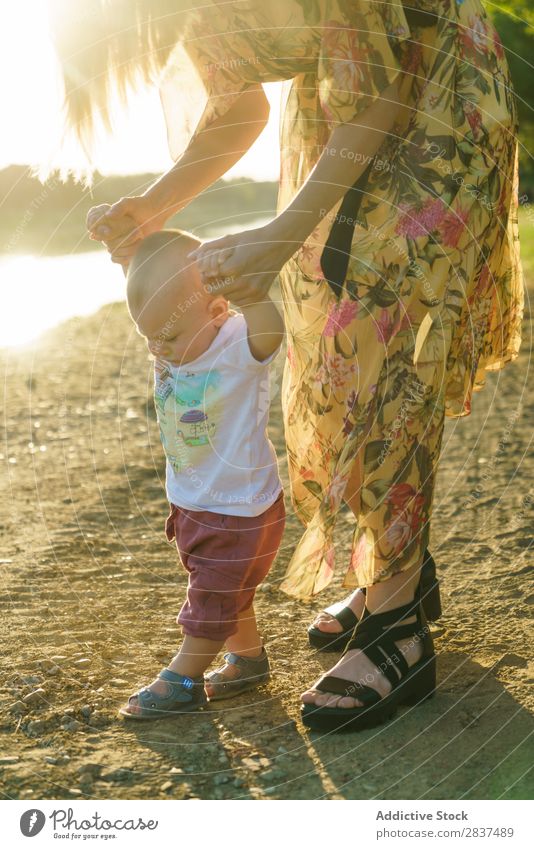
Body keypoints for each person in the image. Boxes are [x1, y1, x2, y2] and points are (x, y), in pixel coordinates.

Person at [49, 0, 523, 731]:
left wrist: (282, 234)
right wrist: (153, 207)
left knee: (380, 345)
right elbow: (239, 109)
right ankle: (399, 569)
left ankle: (399, 624)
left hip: (427, 103)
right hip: (336, 126)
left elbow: (390, 86)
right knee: (330, 347)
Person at [118, 228, 286, 719]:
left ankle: (184, 677)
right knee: (228, 591)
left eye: (168, 335)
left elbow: (269, 334)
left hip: (237, 508)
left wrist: (253, 297)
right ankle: (249, 658)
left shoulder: (236, 346)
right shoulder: (171, 337)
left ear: (216, 313)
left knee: (212, 595)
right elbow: (150, 279)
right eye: (148, 336)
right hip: (193, 502)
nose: (158, 348)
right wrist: (124, 246)